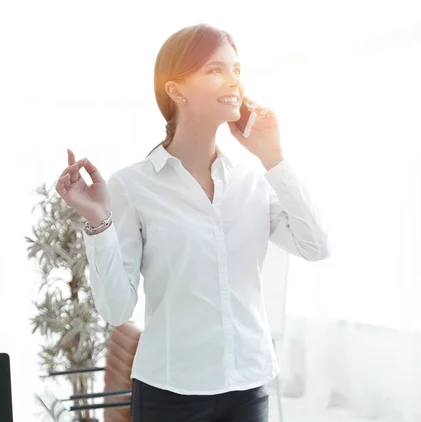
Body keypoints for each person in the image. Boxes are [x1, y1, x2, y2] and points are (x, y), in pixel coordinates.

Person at [56, 23, 329, 422]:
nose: (234, 80)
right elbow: (117, 309)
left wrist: (274, 156)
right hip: (170, 393)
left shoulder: (254, 179)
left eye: (236, 69)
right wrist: (99, 222)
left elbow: (315, 246)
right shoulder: (133, 185)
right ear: (176, 89)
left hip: (248, 386)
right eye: (216, 70)